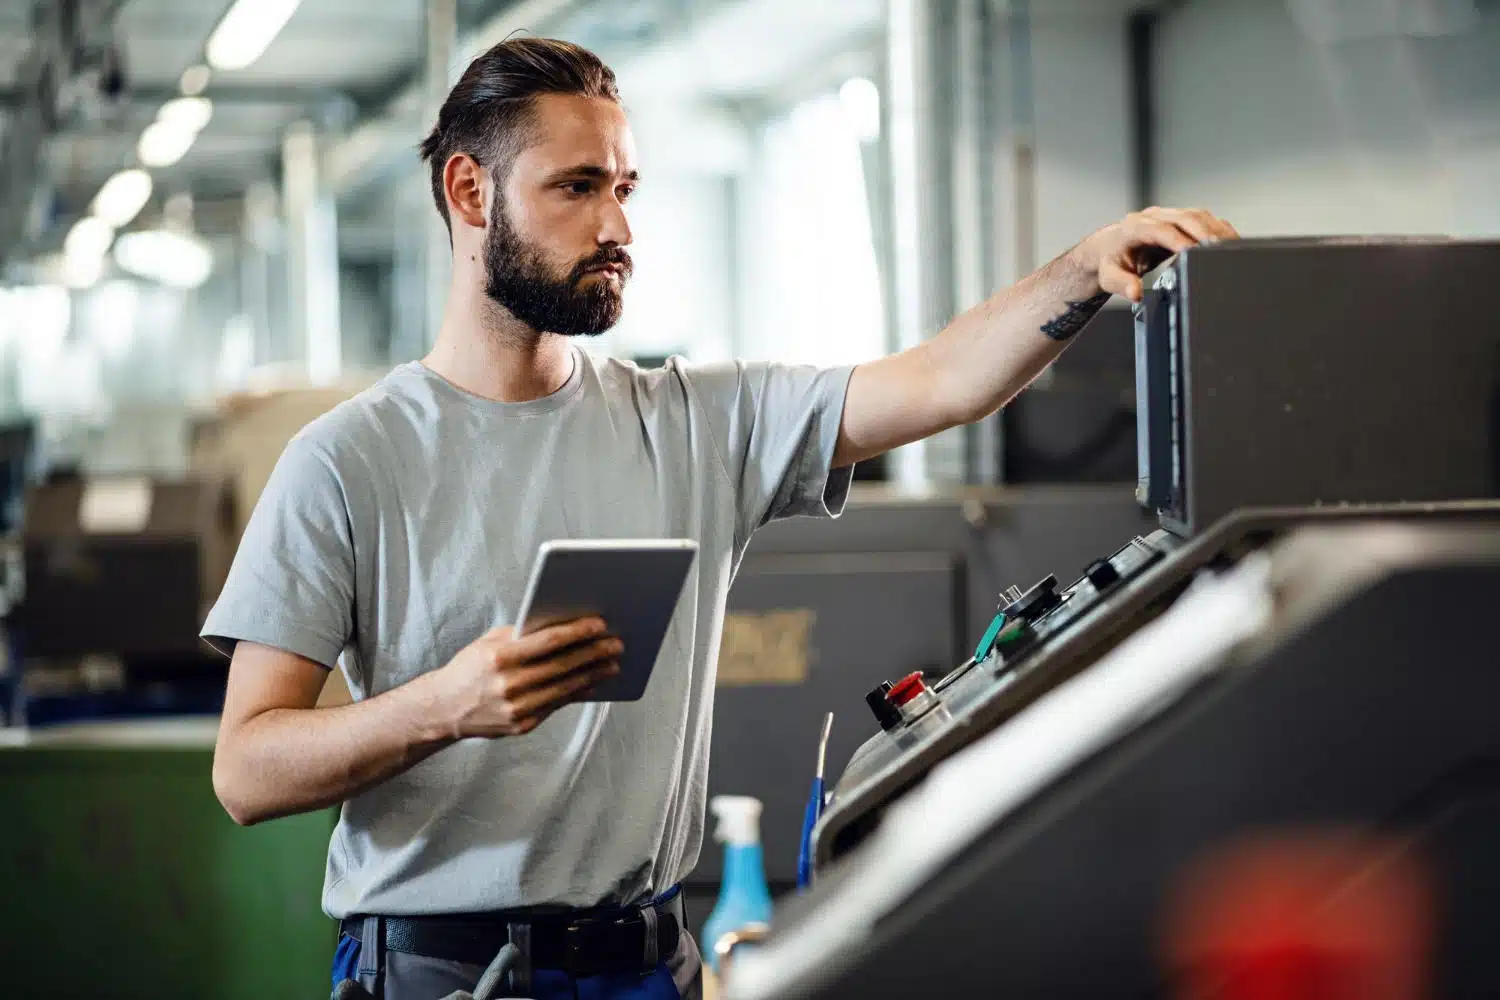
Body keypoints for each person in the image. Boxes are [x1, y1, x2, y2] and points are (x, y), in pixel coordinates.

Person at [203, 36, 1238, 1000]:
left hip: (649, 963)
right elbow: (246, 768)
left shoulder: (700, 419)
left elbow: (941, 382)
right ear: (468, 191)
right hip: (441, 972)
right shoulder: (346, 459)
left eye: (624, 187)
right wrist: (447, 704)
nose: (617, 227)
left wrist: (1089, 265)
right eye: (576, 187)